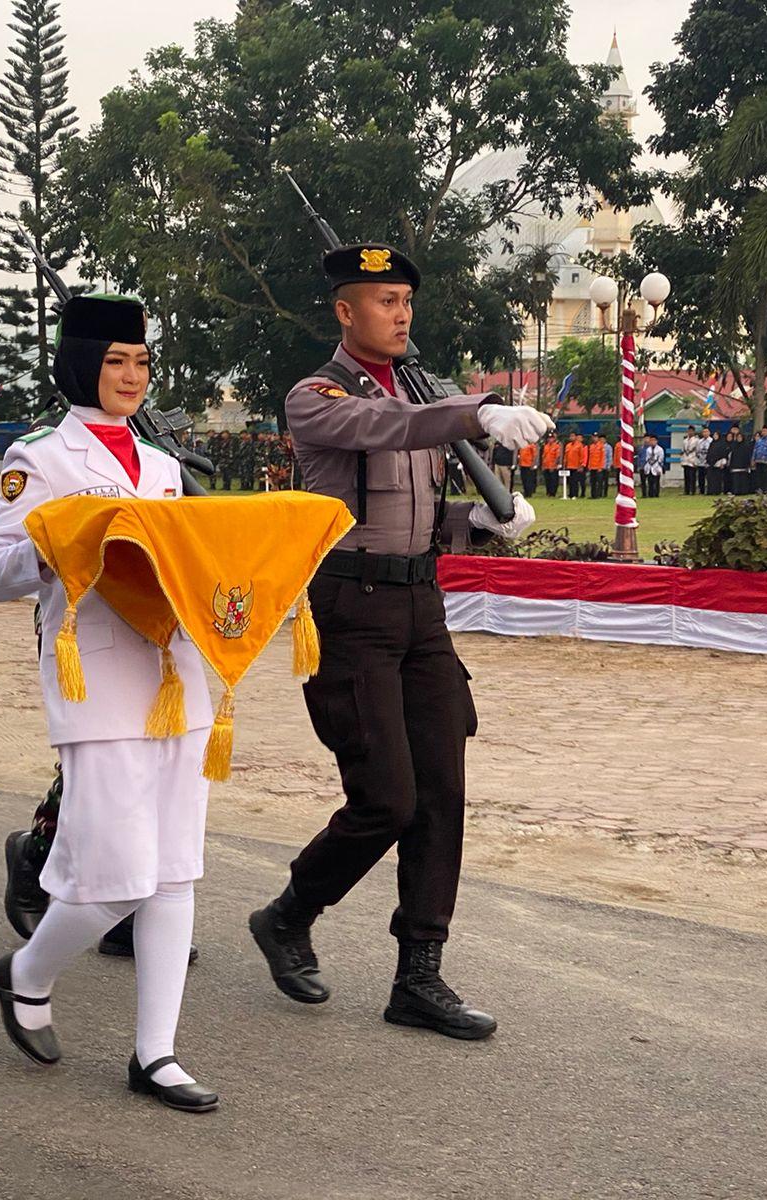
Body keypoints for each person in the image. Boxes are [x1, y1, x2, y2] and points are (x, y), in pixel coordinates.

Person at [249, 242, 545, 1041]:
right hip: (351, 611)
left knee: (442, 792)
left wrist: (474, 522)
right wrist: (476, 410)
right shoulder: (317, 397)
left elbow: (413, 509)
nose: (401, 311)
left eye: (407, 299)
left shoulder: (418, 392)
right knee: (387, 798)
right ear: (345, 312)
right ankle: (289, 913)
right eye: (383, 300)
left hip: (422, 607)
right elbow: (384, 430)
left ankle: (419, 974)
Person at [0, 293, 221, 1111]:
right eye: (116, 361)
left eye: (142, 362)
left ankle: (156, 1053)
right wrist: (60, 547)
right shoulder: (41, 456)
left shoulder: (161, 465)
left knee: (175, 871)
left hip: (178, 676)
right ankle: (27, 973)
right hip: (99, 679)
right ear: (82, 363)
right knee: (116, 879)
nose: (131, 377)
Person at [706, 428, 730, 496]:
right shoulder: (712, 443)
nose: (715, 436)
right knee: (710, 478)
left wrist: (722, 463)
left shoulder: (722, 444)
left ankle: (717, 491)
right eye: (714, 435)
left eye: (716, 435)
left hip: (718, 463)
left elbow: (724, 454)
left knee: (717, 479)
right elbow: (709, 452)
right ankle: (710, 491)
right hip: (711, 463)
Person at [639, 434, 664, 498]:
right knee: (650, 481)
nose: (652, 442)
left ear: (656, 441)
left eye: (654, 440)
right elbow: (647, 458)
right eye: (651, 440)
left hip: (657, 466)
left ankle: (656, 494)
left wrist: (656, 463)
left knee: (656, 481)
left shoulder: (660, 449)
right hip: (649, 466)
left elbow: (661, 458)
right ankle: (650, 494)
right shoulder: (648, 449)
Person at [751, 427, 767, 492]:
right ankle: (760, 489)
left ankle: (766, 489)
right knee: (759, 476)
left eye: (765, 431)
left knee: (766, 476)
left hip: (766, 461)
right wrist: (753, 459)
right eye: (763, 431)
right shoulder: (759, 440)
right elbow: (755, 450)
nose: (763, 432)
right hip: (758, 460)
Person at [539, 430, 562, 498]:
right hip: (546, 466)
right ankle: (548, 492)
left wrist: (554, 465)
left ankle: (553, 493)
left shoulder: (557, 446)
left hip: (553, 466)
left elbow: (557, 456)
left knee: (554, 480)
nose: (550, 439)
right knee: (547, 480)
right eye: (549, 438)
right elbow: (543, 456)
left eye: (551, 438)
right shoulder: (546, 446)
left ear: (554, 438)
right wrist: (543, 465)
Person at [564, 431, 588, 499]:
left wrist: (581, 465)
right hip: (569, 466)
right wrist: (564, 464)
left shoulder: (579, 445)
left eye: (573, 436)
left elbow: (582, 456)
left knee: (575, 481)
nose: (571, 437)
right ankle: (570, 494)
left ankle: (575, 494)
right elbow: (566, 456)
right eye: (570, 436)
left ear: (575, 437)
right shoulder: (568, 445)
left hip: (576, 466)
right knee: (569, 481)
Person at [587, 431, 610, 499]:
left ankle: (598, 495)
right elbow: (590, 457)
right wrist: (589, 466)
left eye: (596, 437)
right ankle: (593, 495)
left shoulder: (601, 446)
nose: (594, 438)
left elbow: (602, 457)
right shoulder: (591, 446)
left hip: (598, 467)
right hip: (592, 467)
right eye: (593, 437)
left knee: (599, 482)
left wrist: (600, 467)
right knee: (592, 482)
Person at [681, 426, 703, 496]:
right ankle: (686, 490)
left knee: (692, 476)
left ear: (693, 432)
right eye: (689, 431)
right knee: (686, 476)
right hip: (686, 459)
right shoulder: (685, 440)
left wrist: (696, 460)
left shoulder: (697, 440)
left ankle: (692, 491)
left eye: (691, 431)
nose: (690, 432)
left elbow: (698, 450)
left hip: (693, 459)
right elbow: (683, 450)